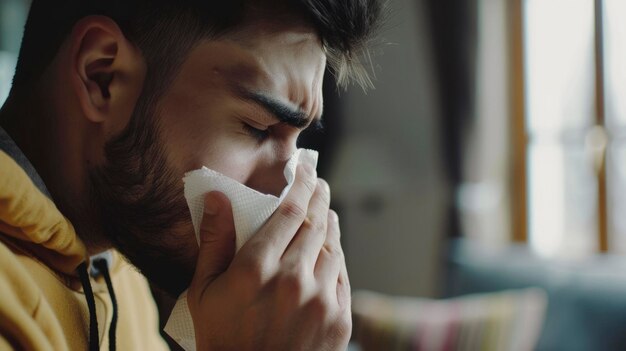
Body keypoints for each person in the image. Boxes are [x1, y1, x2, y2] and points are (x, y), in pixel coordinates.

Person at [0, 0, 382, 350]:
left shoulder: (120, 269)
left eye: (297, 143)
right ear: (103, 77)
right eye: (258, 128)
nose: (286, 190)